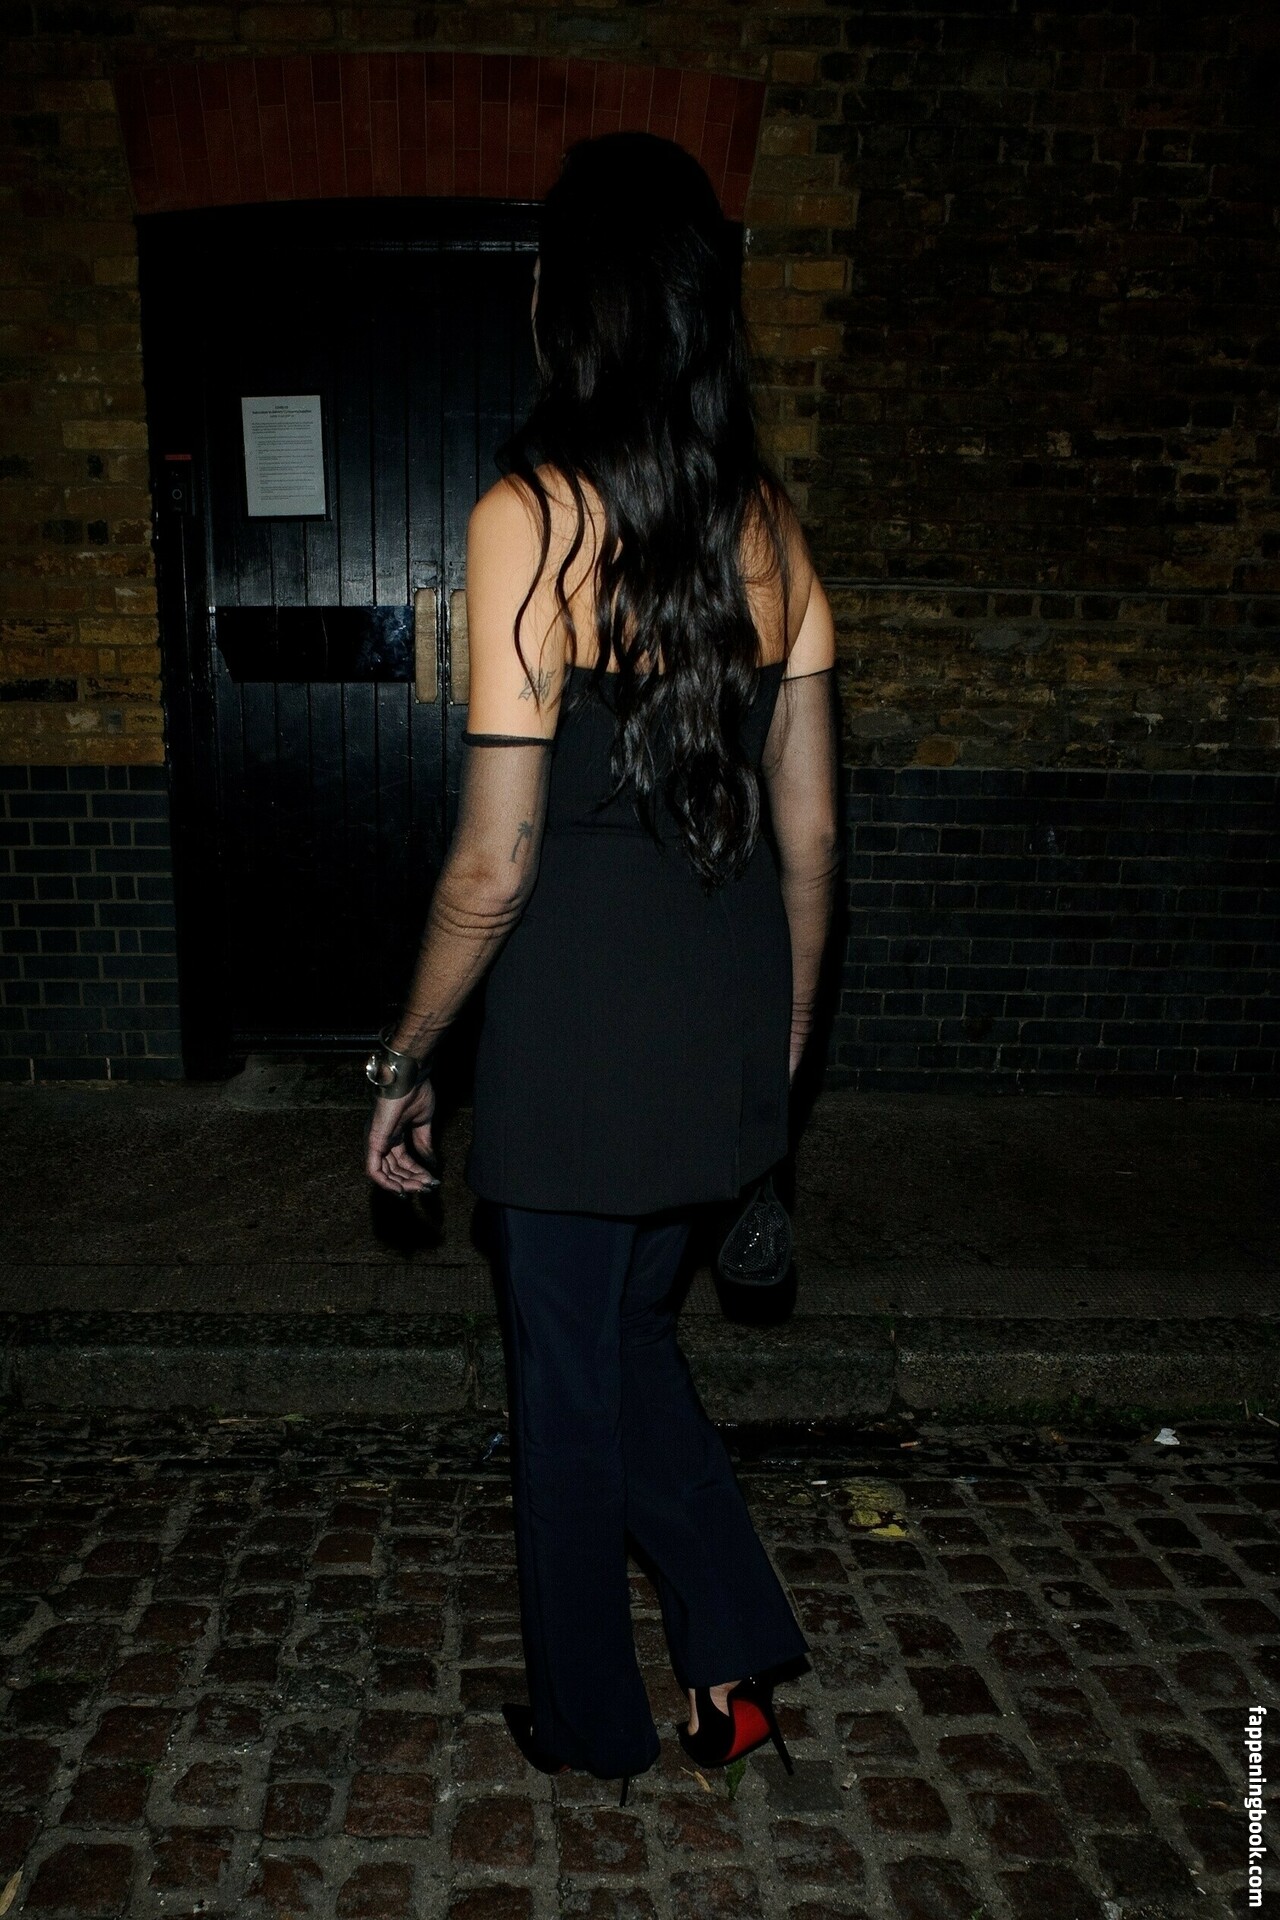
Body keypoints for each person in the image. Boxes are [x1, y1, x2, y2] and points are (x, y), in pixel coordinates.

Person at [364, 130, 840, 1804]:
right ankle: (734, 1662)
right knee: (628, 1349)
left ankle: (591, 1722)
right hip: (718, 1040)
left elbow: (492, 863)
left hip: (572, 1050)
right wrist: (775, 1064)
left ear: (570, 305)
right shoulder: (772, 530)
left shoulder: (530, 520)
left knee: (568, 1390)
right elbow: (812, 843)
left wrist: (405, 1058)